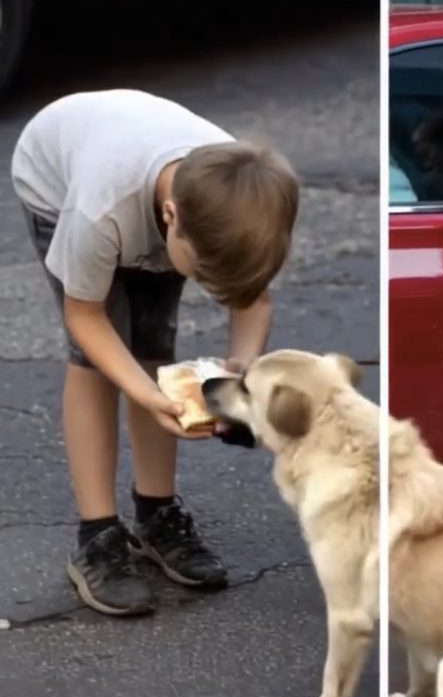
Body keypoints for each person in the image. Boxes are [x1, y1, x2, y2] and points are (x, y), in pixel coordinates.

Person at [11, 89, 298, 617]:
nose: (208, 286)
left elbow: (249, 296)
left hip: (141, 192)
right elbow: (85, 317)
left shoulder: (240, 202)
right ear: (171, 217)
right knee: (96, 361)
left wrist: (241, 370)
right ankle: (96, 536)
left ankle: (155, 514)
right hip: (57, 178)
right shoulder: (98, 212)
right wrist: (145, 395)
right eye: (202, 273)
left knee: (152, 343)